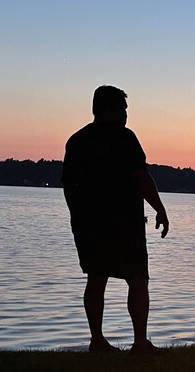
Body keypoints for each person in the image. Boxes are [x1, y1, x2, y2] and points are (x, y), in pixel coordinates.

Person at [62, 85, 169, 353]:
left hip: (89, 223)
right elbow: (141, 177)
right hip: (124, 223)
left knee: (96, 278)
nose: (125, 115)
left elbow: (68, 185)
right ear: (110, 109)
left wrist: (77, 214)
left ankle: (97, 339)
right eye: (123, 109)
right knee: (137, 279)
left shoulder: (77, 141)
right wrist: (159, 208)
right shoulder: (125, 139)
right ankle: (140, 341)